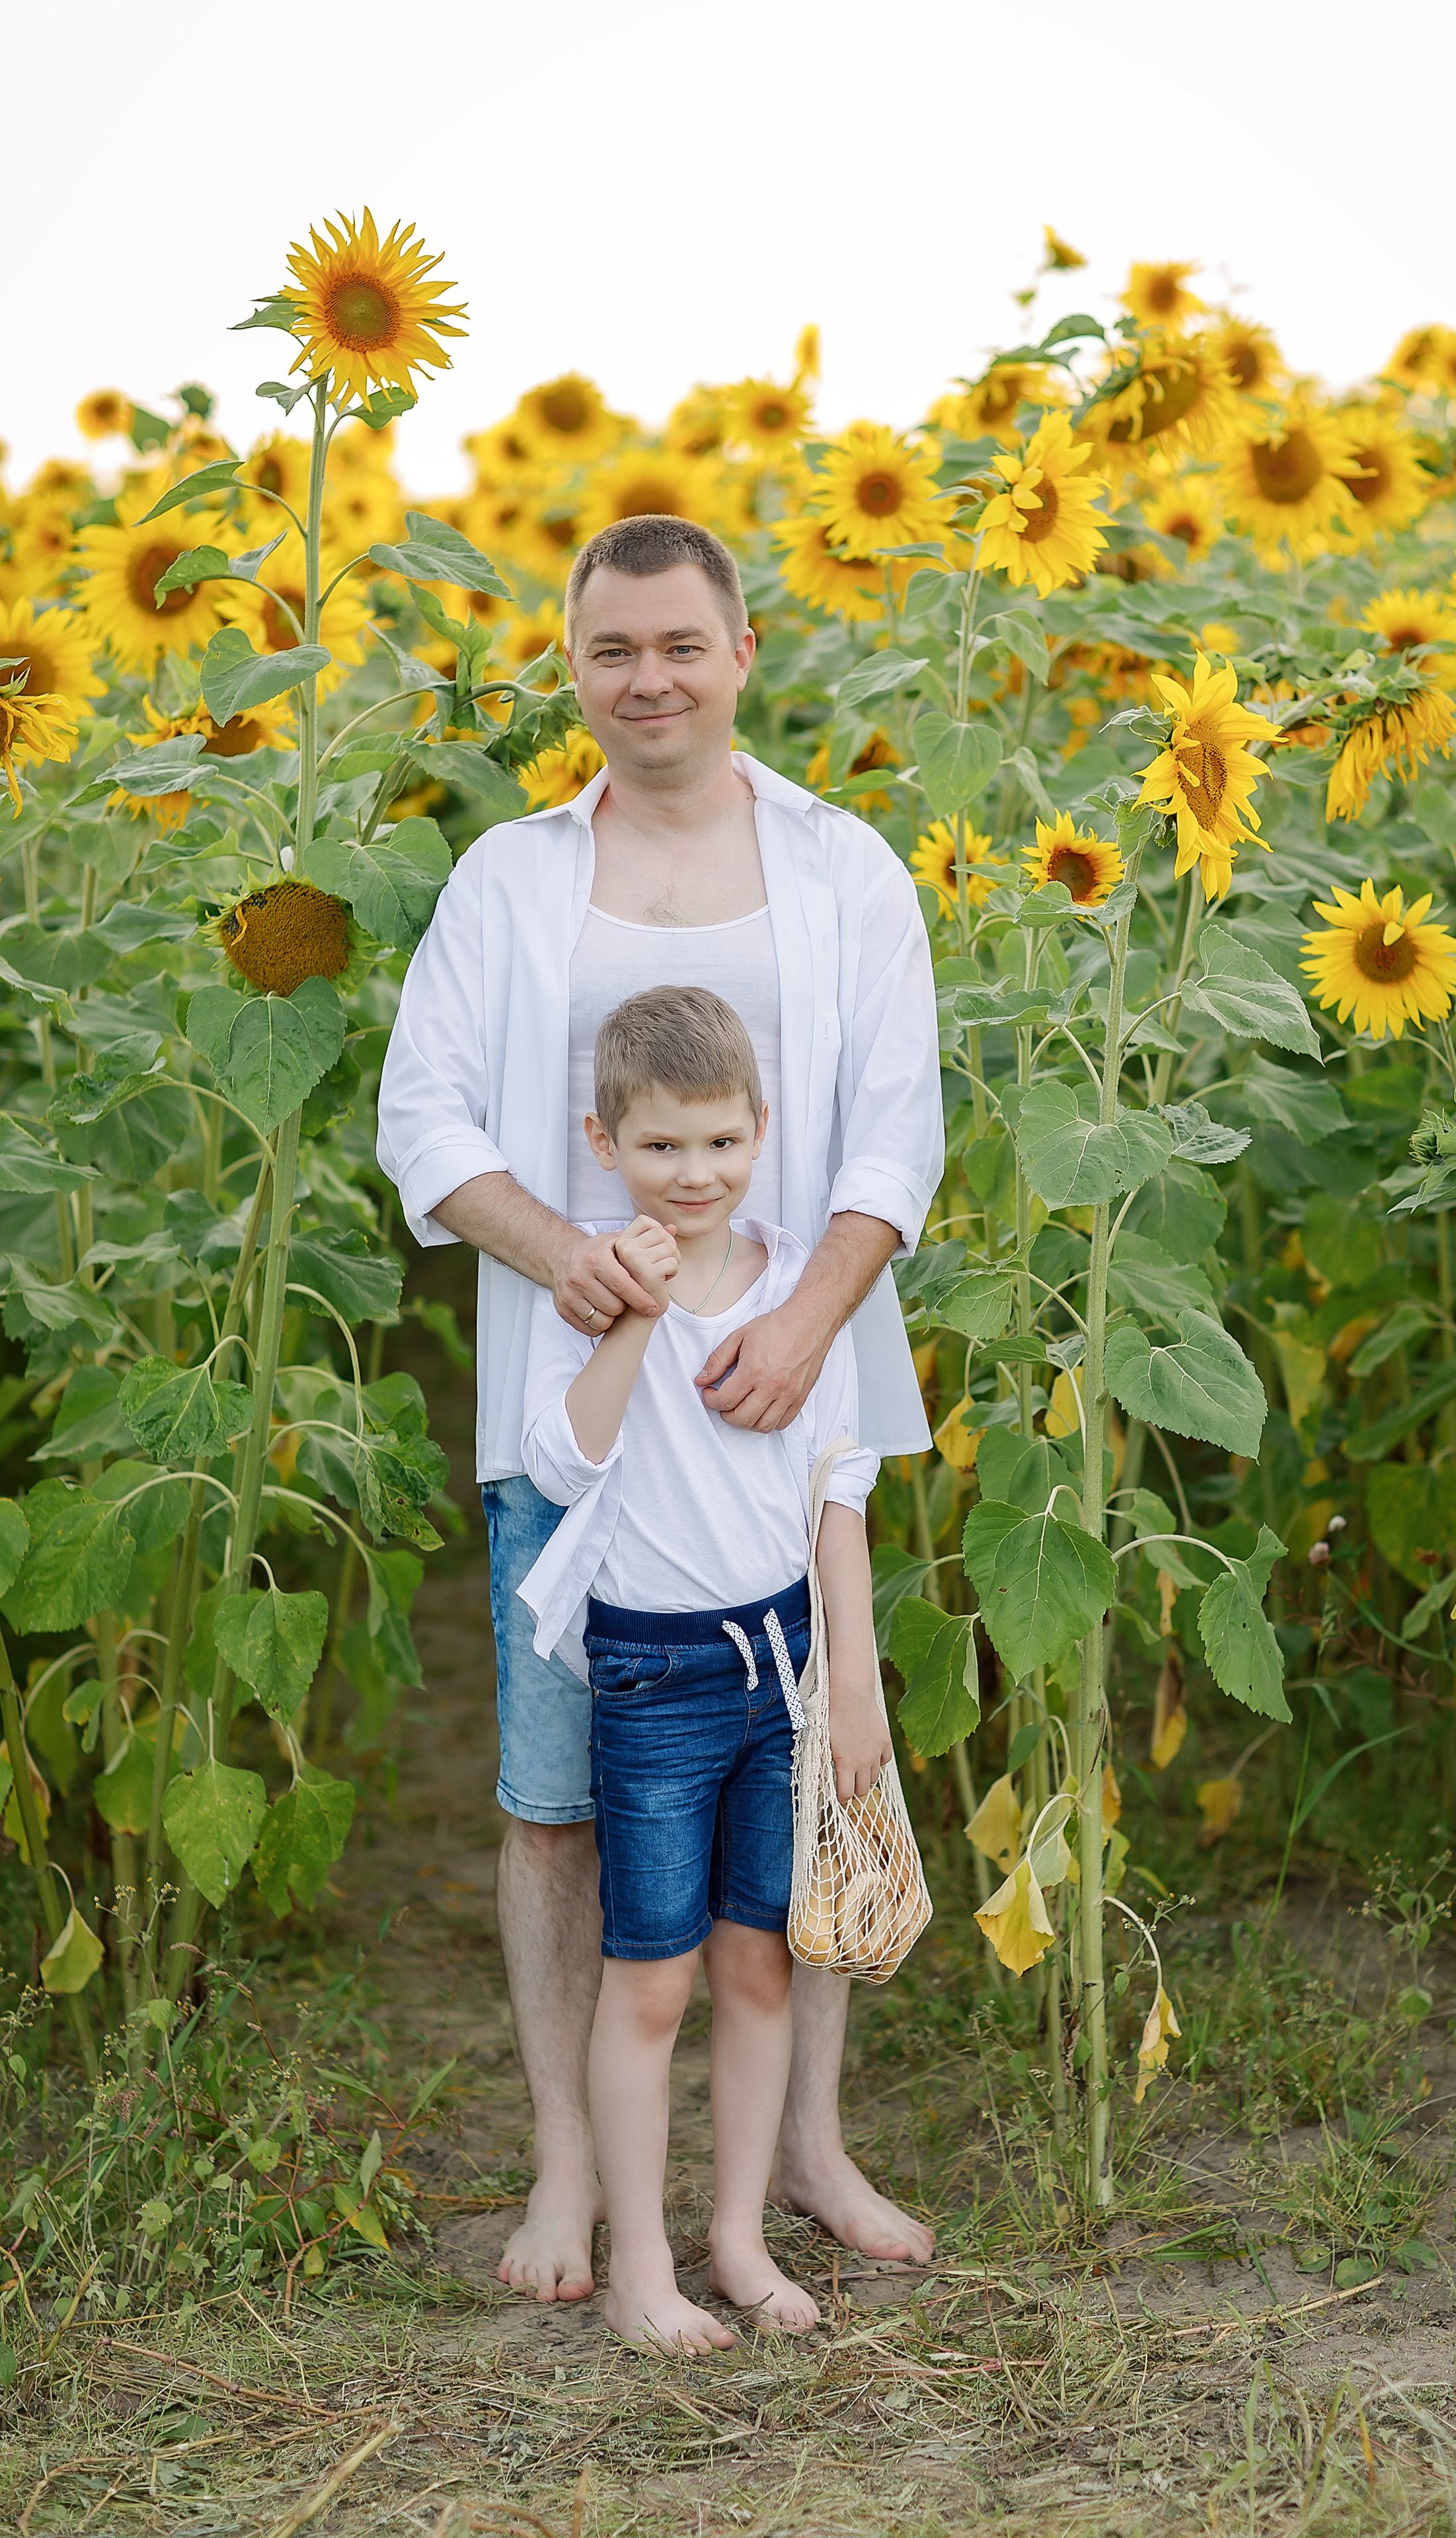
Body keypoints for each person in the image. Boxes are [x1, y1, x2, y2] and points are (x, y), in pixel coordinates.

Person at [375, 512, 943, 2302]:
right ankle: (571, 2177)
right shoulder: (513, 879)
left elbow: (893, 1137)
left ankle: (807, 2158)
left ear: (742, 650)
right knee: (557, 1798)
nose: (650, 680)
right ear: (574, 665)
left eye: (681, 645)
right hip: (582, 1408)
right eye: (614, 651)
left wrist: (816, 1327)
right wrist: (569, 1260)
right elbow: (427, 1124)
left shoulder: (844, 868)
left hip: (789, 1396)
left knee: (811, 1782)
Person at [516, 985, 888, 2354]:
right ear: (604, 1142)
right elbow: (563, 1466)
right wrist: (632, 1322)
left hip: (783, 1671)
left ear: (759, 1132)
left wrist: (850, 1677)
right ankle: (641, 2271)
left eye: (720, 1145)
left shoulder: (800, 1292)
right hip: (653, 1681)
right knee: (652, 1978)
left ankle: (736, 2235)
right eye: (663, 1148)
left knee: (759, 1966)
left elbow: (834, 1485)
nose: (694, 1176)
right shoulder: (602, 1293)